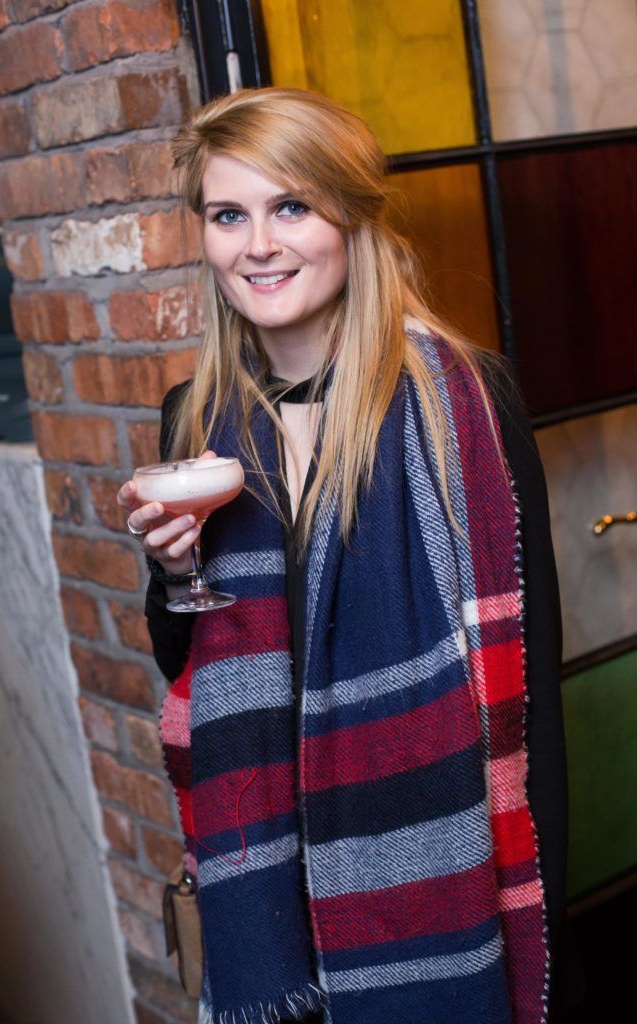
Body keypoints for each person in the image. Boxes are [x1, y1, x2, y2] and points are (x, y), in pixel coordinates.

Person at [117, 87, 583, 1024]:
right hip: (272, 881)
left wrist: (541, 932)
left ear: (351, 215)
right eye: (227, 215)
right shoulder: (195, 419)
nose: (258, 245)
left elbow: (526, 694)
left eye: (290, 205)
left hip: (435, 878)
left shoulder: (466, 408)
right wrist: (174, 575)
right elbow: (184, 659)